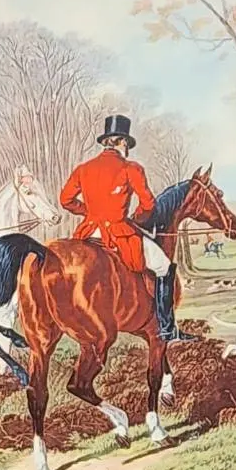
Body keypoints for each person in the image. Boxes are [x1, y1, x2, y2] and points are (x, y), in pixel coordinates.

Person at [58, 113, 193, 342]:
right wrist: (136, 218)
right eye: (127, 143)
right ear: (122, 142)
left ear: (105, 142)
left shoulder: (83, 168)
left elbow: (65, 200)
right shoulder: (131, 168)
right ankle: (167, 327)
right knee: (163, 266)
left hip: (88, 231)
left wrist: (90, 212)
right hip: (119, 232)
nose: (127, 148)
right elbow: (148, 204)